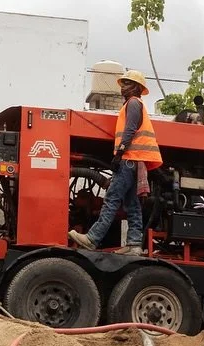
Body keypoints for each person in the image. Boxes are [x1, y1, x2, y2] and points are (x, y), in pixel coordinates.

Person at [68, 70, 163, 254]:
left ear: (136, 87)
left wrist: (119, 153)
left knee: (112, 199)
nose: (122, 88)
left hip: (128, 159)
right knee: (132, 204)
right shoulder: (136, 104)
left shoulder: (133, 104)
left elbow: (130, 129)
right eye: (123, 84)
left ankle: (92, 238)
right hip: (135, 161)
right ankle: (134, 245)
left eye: (127, 84)